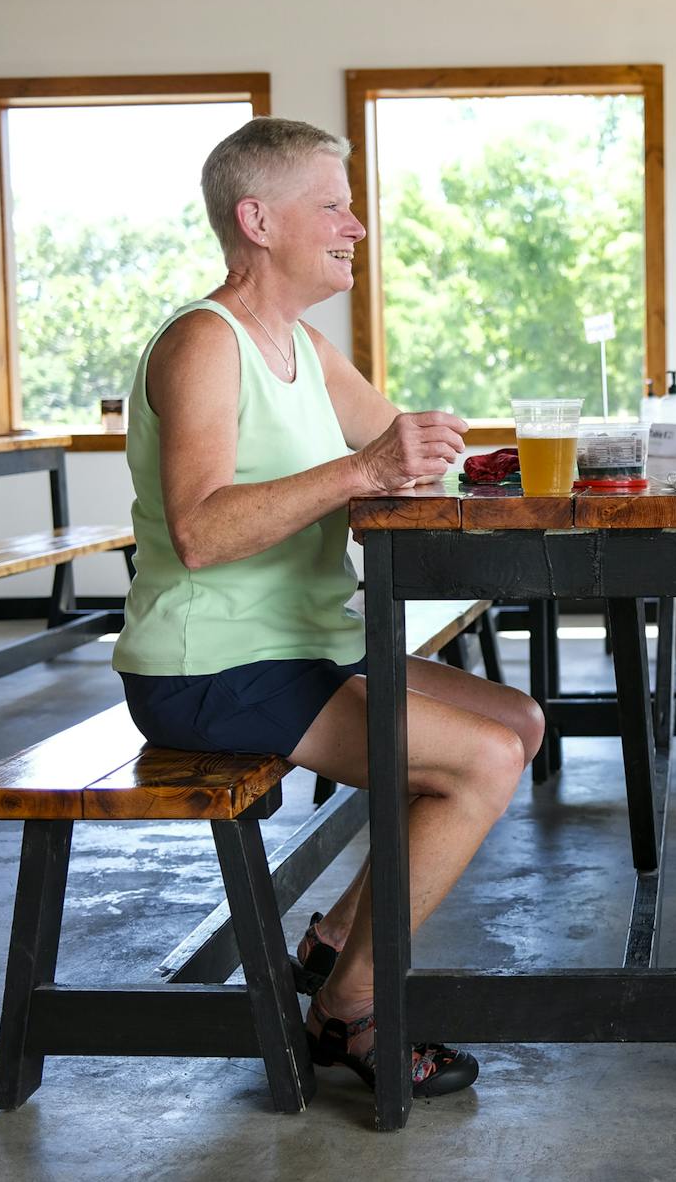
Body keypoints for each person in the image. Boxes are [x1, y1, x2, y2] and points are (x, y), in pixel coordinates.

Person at [112, 116, 545, 1099]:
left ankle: (337, 934)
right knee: (479, 760)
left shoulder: (302, 345)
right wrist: (362, 466)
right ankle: (348, 1006)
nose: (357, 226)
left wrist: (475, 454)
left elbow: (395, 444)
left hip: (305, 644)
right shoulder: (202, 343)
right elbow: (200, 531)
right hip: (209, 666)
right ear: (257, 219)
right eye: (335, 207)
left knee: (516, 718)